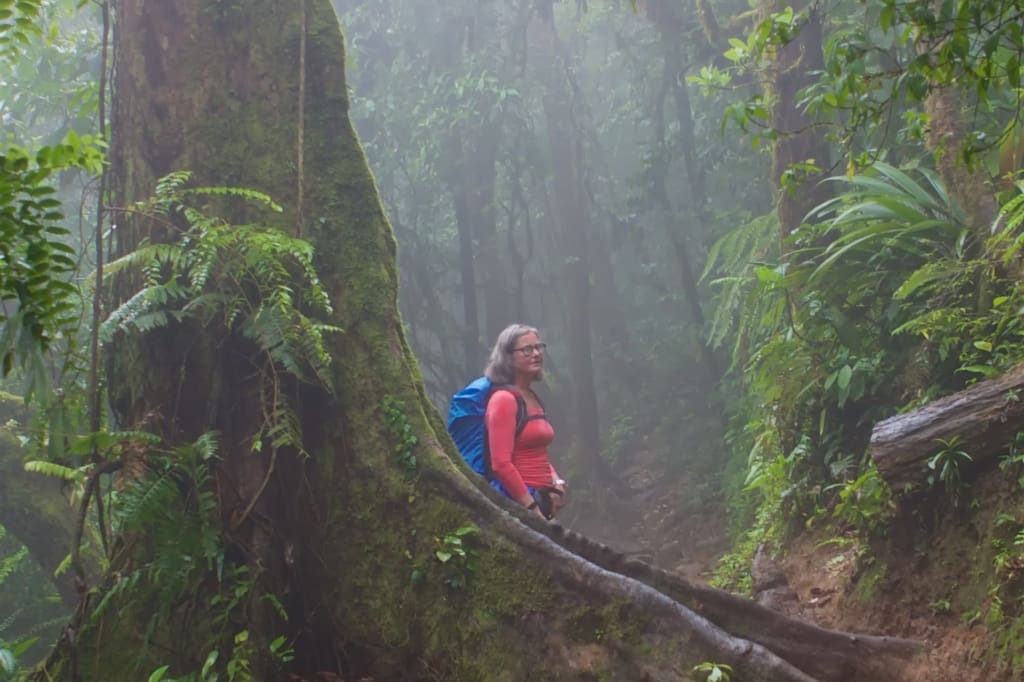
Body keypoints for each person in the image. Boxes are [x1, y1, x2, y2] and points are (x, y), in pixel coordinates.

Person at [484, 324, 566, 519]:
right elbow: (501, 464)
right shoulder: (503, 399)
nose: (536, 353)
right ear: (508, 357)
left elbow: (538, 451)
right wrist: (531, 508)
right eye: (527, 349)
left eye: (539, 347)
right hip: (517, 506)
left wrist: (556, 484)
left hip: (541, 500)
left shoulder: (531, 396)